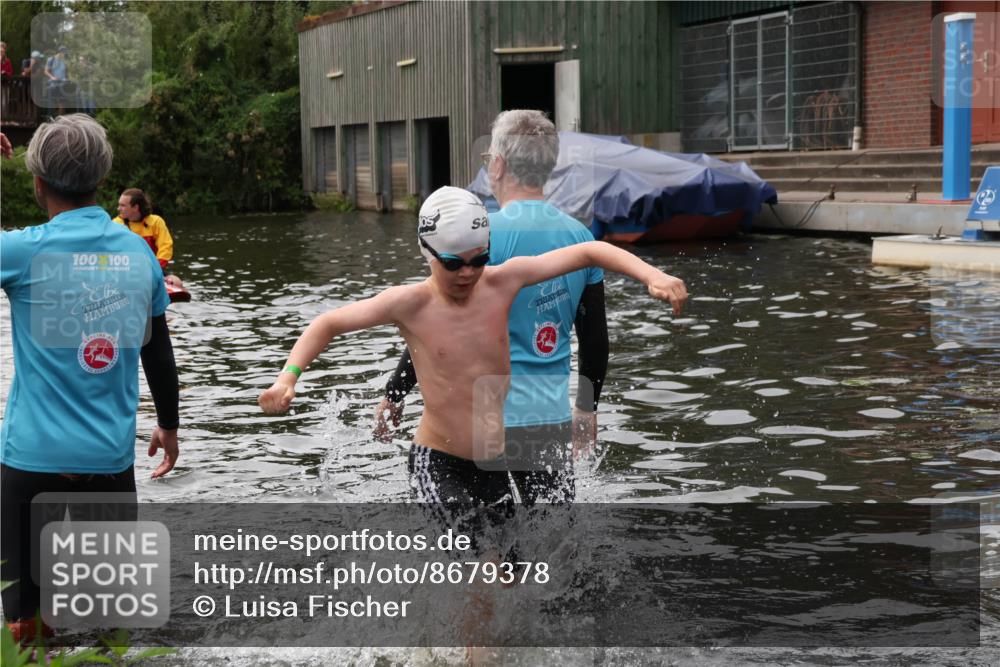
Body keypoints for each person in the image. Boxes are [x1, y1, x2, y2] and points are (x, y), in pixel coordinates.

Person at [259, 186, 686, 521]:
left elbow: (590, 251)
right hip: (439, 463)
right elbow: (327, 323)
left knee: (516, 574)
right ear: (427, 252)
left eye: (478, 259)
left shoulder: (502, 282)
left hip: (495, 459)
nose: (467, 273)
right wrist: (288, 377)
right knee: (486, 565)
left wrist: (653, 274)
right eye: (453, 263)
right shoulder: (409, 304)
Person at [0, 114, 180, 642]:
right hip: (107, 458)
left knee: (24, 622)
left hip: (31, 461)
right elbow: (159, 352)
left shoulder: (22, 251)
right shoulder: (137, 255)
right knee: (116, 624)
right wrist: (168, 426)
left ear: (37, 183)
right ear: (102, 181)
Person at [375, 110, 609, 504]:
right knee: (553, 543)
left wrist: (395, 393)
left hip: (481, 420)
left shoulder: (478, 238)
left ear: (497, 165)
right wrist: (587, 408)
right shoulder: (580, 237)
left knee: (484, 545)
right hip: (545, 419)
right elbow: (595, 341)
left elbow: (438, 326)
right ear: (548, 167)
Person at [114, 188, 175, 271]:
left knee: (176, 282)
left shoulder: (156, 222)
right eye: (119, 205)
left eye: (122, 205)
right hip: (125, 271)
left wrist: (156, 269)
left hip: (153, 270)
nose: (118, 208)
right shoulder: (115, 224)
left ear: (135, 207)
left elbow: (165, 247)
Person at [42, 45, 69, 112]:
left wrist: (67, 78)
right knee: (55, 95)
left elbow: (66, 72)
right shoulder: (51, 60)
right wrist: (52, 77)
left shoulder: (65, 61)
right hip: (53, 82)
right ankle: (56, 110)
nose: (65, 54)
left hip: (63, 82)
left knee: (62, 99)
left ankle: (61, 114)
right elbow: (45, 71)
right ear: (60, 52)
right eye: (64, 53)